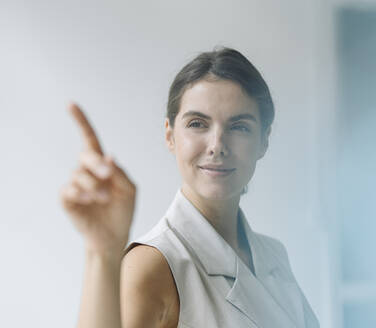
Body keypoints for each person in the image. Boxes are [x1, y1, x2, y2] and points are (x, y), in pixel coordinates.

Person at [60, 46, 319, 328]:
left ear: (264, 141)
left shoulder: (273, 255)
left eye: (239, 127)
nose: (217, 146)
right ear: (170, 135)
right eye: (197, 123)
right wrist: (103, 252)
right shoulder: (152, 264)